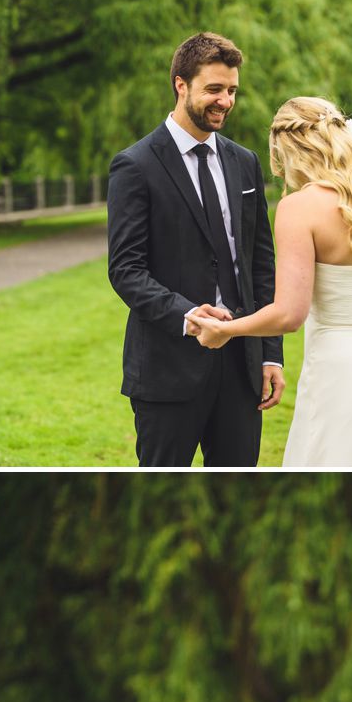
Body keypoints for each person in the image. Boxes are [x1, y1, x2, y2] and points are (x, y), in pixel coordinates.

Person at [186, 96, 352, 469]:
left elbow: (289, 315)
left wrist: (226, 331)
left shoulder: (300, 208)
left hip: (341, 370)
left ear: (289, 149)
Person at [106, 32, 283, 468]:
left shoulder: (245, 162)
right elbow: (126, 269)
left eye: (232, 91)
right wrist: (188, 317)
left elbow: (261, 264)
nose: (225, 101)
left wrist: (271, 353)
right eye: (214, 90)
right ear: (180, 85)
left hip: (242, 368)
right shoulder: (135, 165)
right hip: (168, 369)